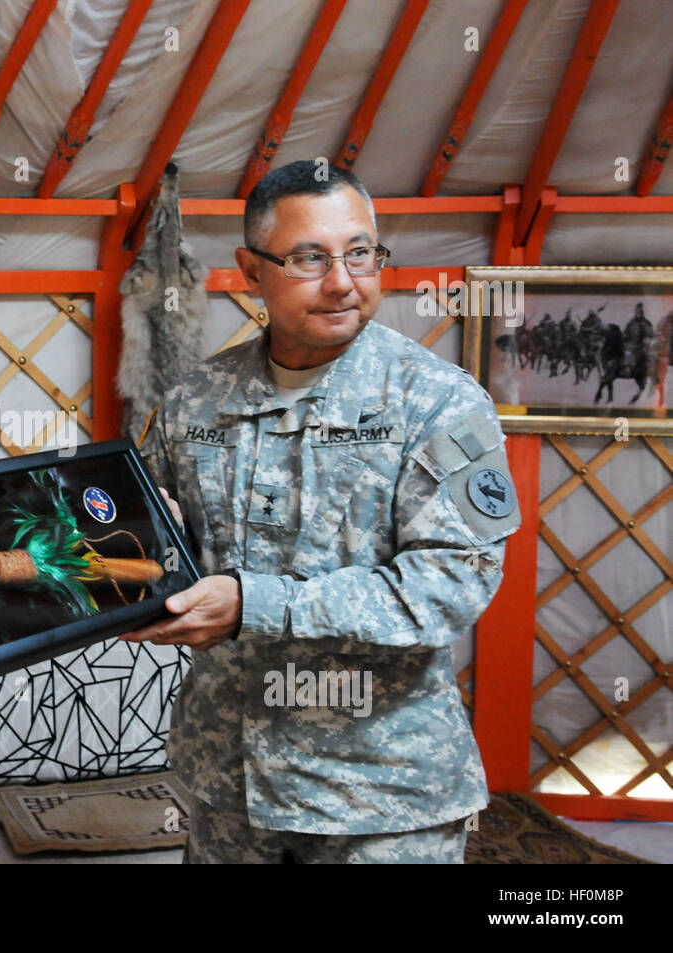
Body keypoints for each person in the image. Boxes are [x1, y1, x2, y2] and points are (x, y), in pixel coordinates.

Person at [122, 160, 521, 863]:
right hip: (226, 784)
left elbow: (450, 585)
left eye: (361, 253)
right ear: (251, 270)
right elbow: (149, 533)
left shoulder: (438, 403)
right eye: (309, 258)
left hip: (379, 799)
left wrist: (255, 604)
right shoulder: (196, 401)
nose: (343, 280)